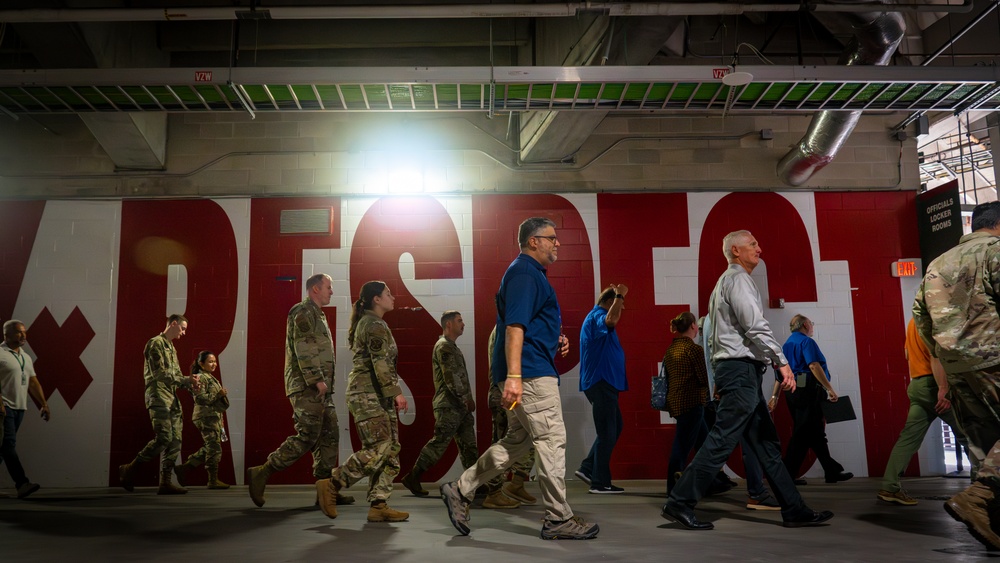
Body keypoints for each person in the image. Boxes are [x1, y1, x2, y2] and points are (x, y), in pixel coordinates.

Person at [661, 229, 833, 530]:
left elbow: (714, 338)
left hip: (740, 373)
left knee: (766, 443)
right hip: (740, 372)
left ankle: (794, 509)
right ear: (736, 251)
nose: (759, 248)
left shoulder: (723, 285)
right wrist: (782, 363)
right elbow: (755, 326)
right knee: (721, 439)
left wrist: (719, 376)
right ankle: (679, 502)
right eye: (753, 244)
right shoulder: (739, 280)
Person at [439, 217, 599, 540]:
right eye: (551, 238)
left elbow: (528, 326)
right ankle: (558, 518)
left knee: (517, 442)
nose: (557, 243)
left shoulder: (530, 274)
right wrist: (514, 376)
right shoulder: (525, 273)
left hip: (529, 370)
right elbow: (514, 328)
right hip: (530, 375)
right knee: (552, 441)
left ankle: (460, 488)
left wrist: (555, 338)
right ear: (532, 242)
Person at [914, 200, 1000, 551]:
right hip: (993, 357)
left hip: (955, 363)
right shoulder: (994, 251)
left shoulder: (939, 263)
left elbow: (922, 319)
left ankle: (991, 526)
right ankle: (978, 496)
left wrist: (944, 360)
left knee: (984, 443)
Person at [247, 273, 353, 508]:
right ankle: (263, 472)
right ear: (315, 289)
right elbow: (303, 346)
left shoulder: (319, 314)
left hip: (321, 389)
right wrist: (316, 379)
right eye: (328, 287)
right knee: (307, 435)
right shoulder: (302, 311)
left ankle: (325, 492)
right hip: (307, 386)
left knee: (330, 434)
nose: (331, 291)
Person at [316, 280, 409, 523]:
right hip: (368, 394)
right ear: (376, 299)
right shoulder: (374, 324)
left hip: (377, 395)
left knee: (390, 450)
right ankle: (333, 483)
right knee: (378, 447)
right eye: (388, 294)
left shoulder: (372, 323)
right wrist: (396, 391)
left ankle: (379, 504)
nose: (393, 297)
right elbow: (381, 363)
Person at [878, 318, 966, 505]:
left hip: (918, 385)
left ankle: (890, 487)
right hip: (935, 385)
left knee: (908, 439)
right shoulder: (932, 321)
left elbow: (907, 353)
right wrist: (943, 388)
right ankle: (985, 488)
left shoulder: (913, 323)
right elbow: (936, 356)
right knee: (970, 435)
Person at [401, 311, 479, 497]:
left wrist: (468, 400)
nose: (463, 324)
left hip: (460, 407)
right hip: (449, 406)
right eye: (459, 320)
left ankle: (475, 483)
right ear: (449, 324)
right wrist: (465, 399)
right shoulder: (444, 346)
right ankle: (413, 476)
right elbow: (451, 377)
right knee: (439, 443)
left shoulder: (452, 347)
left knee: (469, 446)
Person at [119, 314, 199, 495]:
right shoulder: (155, 343)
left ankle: (165, 482)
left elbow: (176, 377)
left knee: (175, 440)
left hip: (171, 397)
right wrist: (186, 380)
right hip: (158, 396)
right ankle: (130, 469)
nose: (184, 333)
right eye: (183, 328)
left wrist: (191, 384)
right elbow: (159, 374)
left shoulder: (171, 347)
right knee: (164, 437)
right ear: (174, 324)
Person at [779, 314, 853, 485]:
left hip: (792, 391)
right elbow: (813, 365)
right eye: (811, 324)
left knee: (815, 432)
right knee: (803, 432)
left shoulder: (786, 344)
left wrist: (775, 395)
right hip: (809, 391)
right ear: (805, 325)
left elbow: (781, 371)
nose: (812, 326)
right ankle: (785, 475)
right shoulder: (807, 342)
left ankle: (830, 471)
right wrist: (829, 388)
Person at [576, 284, 629, 494]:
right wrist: (620, 295)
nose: (621, 309)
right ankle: (599, 482)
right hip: (601, 381)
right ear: (609, 302)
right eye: (618, 305)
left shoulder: (595, 317)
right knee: (607, 431)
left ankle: (588, 468)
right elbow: (611, 320)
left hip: (605, 383)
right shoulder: (597, 315)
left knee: (615, 427)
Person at [483, 325, 533, 509]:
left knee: (524, 440)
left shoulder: (505, 327)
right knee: (503, 444)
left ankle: (516, 483)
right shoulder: (506, 329)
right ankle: (493, 492)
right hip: (503, 394)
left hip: (506, 393)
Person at [0, 320, 51, 499]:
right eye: (19, 332)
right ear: (6, 335)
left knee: (2, 449)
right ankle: (22, 484)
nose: (23, 336)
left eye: (24, 332)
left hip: (19, 408)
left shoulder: (25, 357)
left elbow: (33, 381)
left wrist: (44, 404)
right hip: (4, 407)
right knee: (8, 445)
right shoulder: (0, 354)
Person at [663, 312, 710, 495]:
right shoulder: (694, 350)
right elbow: (703, 378)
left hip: (676, 403)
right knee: (681, 448)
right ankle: (673, 489)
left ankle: (711, 481)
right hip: (692, 403)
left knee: (704, 443)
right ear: (693, 326)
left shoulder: (671, 350)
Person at [174, 351, 231, 489]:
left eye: (215, 361)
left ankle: (185, 468)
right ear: (201, 364)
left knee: (211, 446)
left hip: (212, 417)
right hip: (205, 417)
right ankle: (212, 480)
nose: (214, 364)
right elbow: (199, 398)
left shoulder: (209, 377)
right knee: (214, 447)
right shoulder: (200, 378)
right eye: (210, 362)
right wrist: (218, 395)